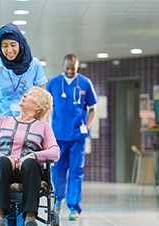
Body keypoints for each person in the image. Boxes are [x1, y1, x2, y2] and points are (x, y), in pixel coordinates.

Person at [0, 87, 60, 226]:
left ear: (38, 107)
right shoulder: (1, 121)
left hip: (28, 173)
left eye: (32, 95)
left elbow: (55, 152)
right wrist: (4, 157)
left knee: (30, 163)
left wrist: (33, 156)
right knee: (2, 162)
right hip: (2, 171)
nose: (25, 95)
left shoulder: (43, 126)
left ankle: (30, 217)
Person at [46, 54, 98, 221]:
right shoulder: (53, 83)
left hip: (77, 136)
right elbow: (46, 108)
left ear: (77, 67)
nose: (70, 71)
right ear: (63, 65)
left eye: (73, 69)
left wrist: (87, 126)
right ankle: (58, 200)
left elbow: (93, 108)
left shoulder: (85, 83)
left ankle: (74, 207)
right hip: (58, 135)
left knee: (76, 171)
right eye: (67, 68)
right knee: (57, 170)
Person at [0, 23, 48, 132]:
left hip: (29, 125)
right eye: (4, 46)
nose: (9, 50)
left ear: (20, 44)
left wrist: (44, 123)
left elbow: (44, 100)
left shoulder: (34, 64)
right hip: (3, 126)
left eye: (13, 45)